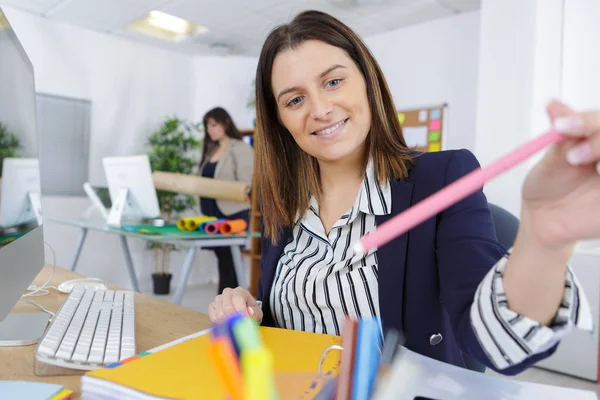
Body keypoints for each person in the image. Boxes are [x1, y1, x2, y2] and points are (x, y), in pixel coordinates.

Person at [208, 10, 600, 375]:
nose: (321, 109)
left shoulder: (443, 179)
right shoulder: (283, 202)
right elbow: (289, 321)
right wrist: (250, 309)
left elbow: (502, 343)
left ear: (367, 81)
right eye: (295, 99)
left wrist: (544, 241)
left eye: (333, 81)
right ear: (280, 121)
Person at [198, 107, 254, 294]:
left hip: (231, 213)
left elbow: (246, 183)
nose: (209, 130)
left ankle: (230, 305)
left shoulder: (240, 148)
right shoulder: (211, 150)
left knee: (229, 259)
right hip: (211, 213)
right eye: (207, 126)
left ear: (226, 123)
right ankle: (227, 303)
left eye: (214, 125)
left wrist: (222, 185)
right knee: (223, 258)